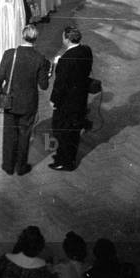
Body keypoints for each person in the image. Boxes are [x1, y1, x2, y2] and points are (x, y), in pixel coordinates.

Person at [0, 25, 50, 176]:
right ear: (36, 39)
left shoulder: (10, 54)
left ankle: (8, 166)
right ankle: (21, 167)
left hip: (10, 100)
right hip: (28, 103)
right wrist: (49, 71)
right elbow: (43, 86)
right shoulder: (40, 59)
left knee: (9, 134)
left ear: (22, 36)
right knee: (25, 135)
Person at [49, 25, 93, 171]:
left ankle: (64, 161)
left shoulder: (65, 60)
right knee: (73, 132)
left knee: (61, 131)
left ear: (67, 39)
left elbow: (60, 84)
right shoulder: (86, 50)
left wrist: (54, 100)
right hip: (80, 99)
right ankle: (68, 159)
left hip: (66, 103)